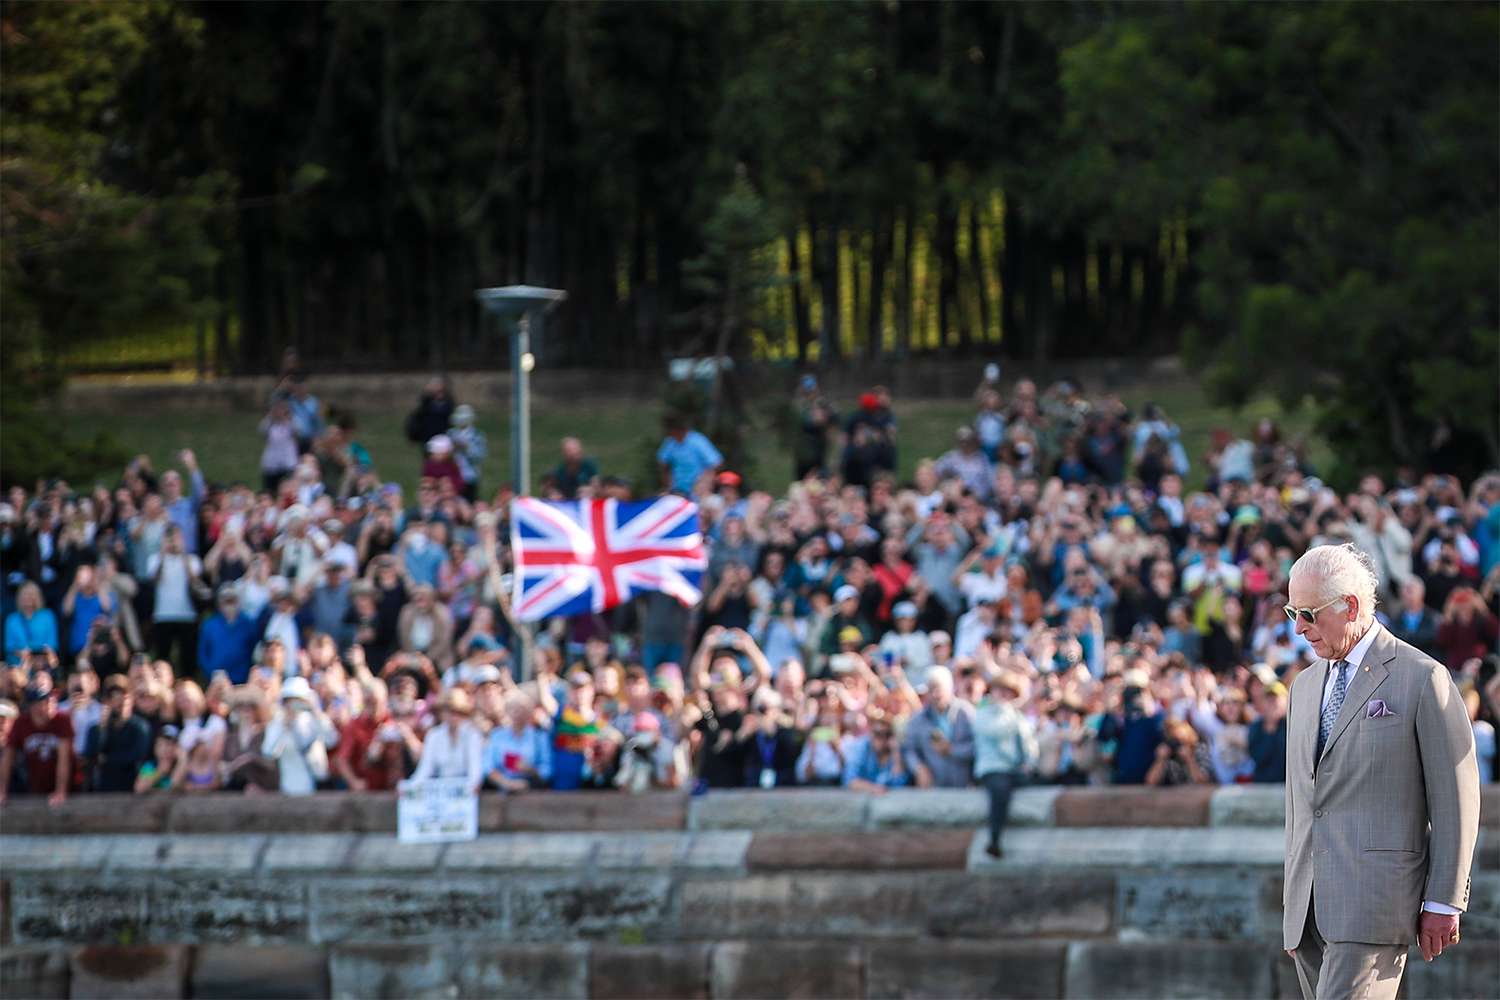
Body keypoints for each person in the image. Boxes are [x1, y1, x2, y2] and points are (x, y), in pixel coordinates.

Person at [1283, 544, 1480, 1000]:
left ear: (1350, 605)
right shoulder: (1304, 687)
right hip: (1308, 910)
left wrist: (1445, 899)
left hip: (1374, 902)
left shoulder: (1421, 676)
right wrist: (1295, 901)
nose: (1299, 628)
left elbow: (1457, 796)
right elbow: (1301, 801)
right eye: (1293, 611)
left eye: (1308, 613)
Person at [972, 674, 1037, 858]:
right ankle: (994, 839)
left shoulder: (1016, 716)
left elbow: (1028, 743)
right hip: (992, 767)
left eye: (1007, 692)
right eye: (999, 690)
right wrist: (1011, 712)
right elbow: (996, 732)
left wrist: (1029, 763)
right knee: (999, 791)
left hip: (1014, 769)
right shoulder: (983, 715)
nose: (1002, 696)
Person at [901, 666, 975, 788]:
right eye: (931, 689)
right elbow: (909, 750)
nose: (935, 694)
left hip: (964, 786)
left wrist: (951, 750)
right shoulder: (917, 720)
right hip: (933, 788)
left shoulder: (967, 713)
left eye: (939, 688)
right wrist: (918, 767)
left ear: (950, 688)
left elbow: (977, 747)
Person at [0, 683, 73, 805]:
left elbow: (64, 759)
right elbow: (7, 758)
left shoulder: (62, 720)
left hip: (69, 787)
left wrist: (60, 791)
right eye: (44, 702)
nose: (49, 704)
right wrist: (2, 791)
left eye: (51, 700)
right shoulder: (21, 723)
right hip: (34, 785)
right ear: (33, 706)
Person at [83, 675, 152, 792]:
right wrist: (102, 728)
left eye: (124, 697)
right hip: (103, 788)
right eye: (114, 698)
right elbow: (91, 755)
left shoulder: (140, 727)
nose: (120, 703)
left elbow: (137, 756)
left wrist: (107, 759)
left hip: (131, 788)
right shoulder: (96, 729)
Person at [409, 688, 484, 791]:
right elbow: (425, 769)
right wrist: (410, 787)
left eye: (456, 712)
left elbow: (474, 769)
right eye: (447, 711)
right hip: (441, 790)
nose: (452, 716)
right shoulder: (433, 735)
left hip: (465, 790)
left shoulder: (472, 735)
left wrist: (471, 786)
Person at [657, 414, 723, 496]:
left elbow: (716, 463)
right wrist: (668, 485)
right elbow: (663, 464)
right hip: (677, 491)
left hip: (698, 492)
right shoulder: (670, 442)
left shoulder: (698, 441)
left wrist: (704, 481)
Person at [4, 582, 58, 664]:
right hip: (19, 663)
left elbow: (52, 643)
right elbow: (9, 647)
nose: (28, 598)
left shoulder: (47, 616)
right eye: (25, 595)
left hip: (42, 662)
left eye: (31, 595)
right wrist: (21, 653)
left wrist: (40, 655)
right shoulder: (12, 619)